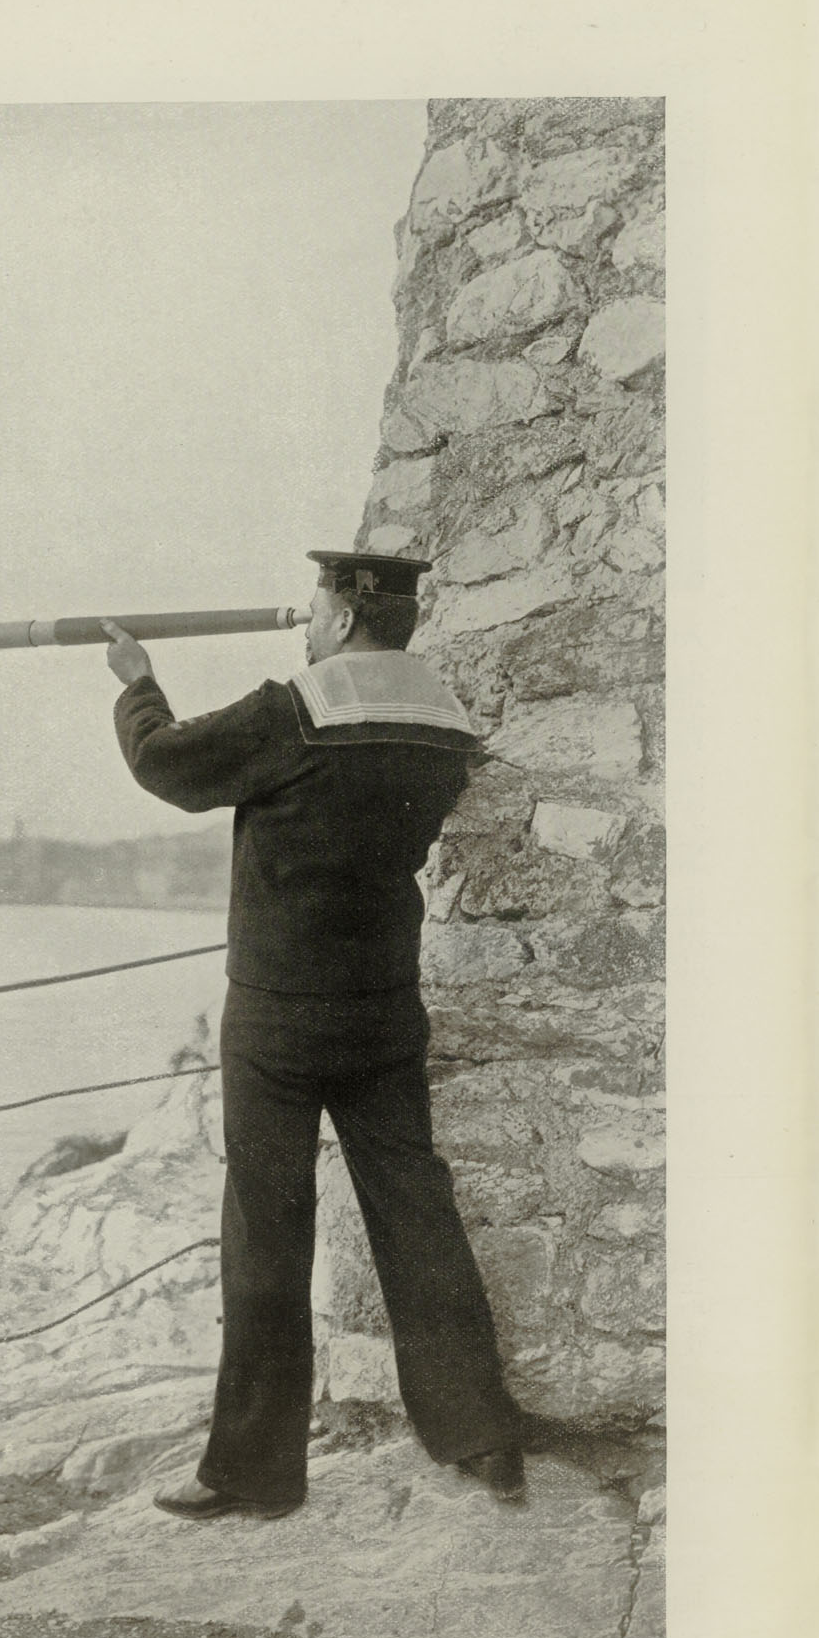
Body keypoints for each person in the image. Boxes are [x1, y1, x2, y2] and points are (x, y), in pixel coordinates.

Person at [100, 551, 526, 1520]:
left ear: (338, 620)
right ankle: (483, 1435)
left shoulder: (294, 709)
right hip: (383, 1003)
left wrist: (138, 683)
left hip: (279, 1011)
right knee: (416, 1210)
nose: (305, 628)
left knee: (267, 1229)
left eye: (314, 612)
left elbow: (167, 765)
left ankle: (254, 1473)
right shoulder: (445, 724)